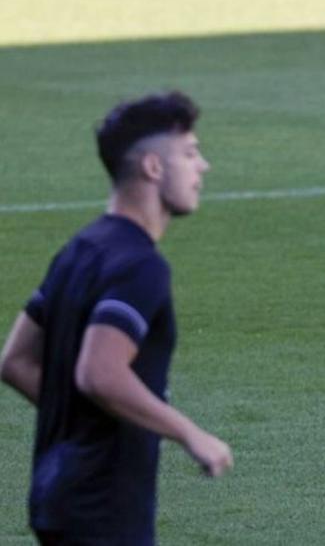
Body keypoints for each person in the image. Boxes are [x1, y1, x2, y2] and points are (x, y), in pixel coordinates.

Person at [0, 91, 233, 545]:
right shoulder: (141, 266)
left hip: (58, 495)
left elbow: (16, 361)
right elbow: (99, 373)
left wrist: (90, 422)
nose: (202, 166)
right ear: (152, 167)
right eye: (189, 153)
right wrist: (190, 434)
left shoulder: (81, 248)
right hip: (104, 507)